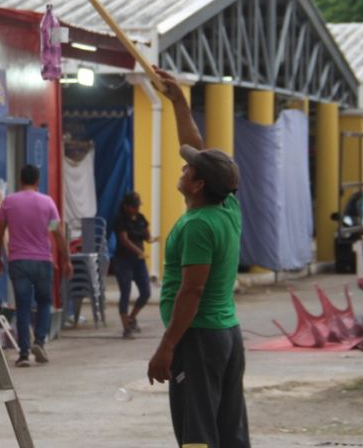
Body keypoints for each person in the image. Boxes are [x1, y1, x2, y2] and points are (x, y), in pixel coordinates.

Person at [145, 67, 250, 448]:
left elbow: (191, 291)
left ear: (199, 184)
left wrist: (166, 347)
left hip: (198, 338)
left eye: (188, 168)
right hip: (225, 334)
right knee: (228, 428)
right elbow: (196, 145)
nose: (183, 167)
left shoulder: (197, 226)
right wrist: (178, 101)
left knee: (198, 433)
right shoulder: (227, 206)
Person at [0, 164, 72, 368]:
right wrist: (67, 259)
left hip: (18, 262)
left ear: (21, 180)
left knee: (23, 307)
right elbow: (57, 233)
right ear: (37, 181)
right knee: (45, 302)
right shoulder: (47, 203)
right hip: (42, 261)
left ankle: (23, 354)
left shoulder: (9, 203)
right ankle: (39, 342)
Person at [112, 191, 152, 339]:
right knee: (125, 293)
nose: (137, 209)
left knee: (146, 291)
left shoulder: (140, 218)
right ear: (126, 206)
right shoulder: (121, 220)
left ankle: (132, 317)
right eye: (134, 206)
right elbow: (124, 240)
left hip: (139, 261)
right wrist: (137, 251)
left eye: (138, 206)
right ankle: (126, 327)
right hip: (124, 260)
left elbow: (147, 235)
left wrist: (151, 238)